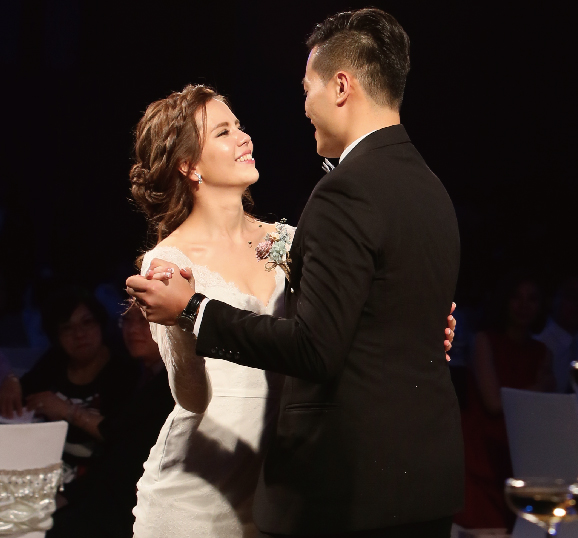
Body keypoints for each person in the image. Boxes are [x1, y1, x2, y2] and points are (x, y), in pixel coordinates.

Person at [127, 8, 462, 538]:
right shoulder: (169, 264)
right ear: (189, 165)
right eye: (224, 131)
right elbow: (191, 397)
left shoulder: (290, 235)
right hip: (209, 486)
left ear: (342, 86)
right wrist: (181, 319)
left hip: (293, 475)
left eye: (239, 125)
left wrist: (412, 330)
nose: (244, 137)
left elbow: (327, 331)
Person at [47, 302, 174, 538]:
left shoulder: (172, 387)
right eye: (127, 319)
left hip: (131, 514)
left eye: (144, 319)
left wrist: (69, 412)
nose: (133, 329)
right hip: (100, 497)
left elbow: (122, 457)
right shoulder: (140, 374)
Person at [0, 286, 138, 484]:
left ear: (100, 324)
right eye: (67, 328)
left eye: (87, 323)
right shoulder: (56, 360)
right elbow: (22, 393)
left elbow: (121, 435)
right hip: (48, 470)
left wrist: (67, 411)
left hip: (101, 480)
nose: (79, 334)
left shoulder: (123, 369)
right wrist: (10, 381)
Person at [455, 272, 555, 530]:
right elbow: (494, 403)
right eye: (516, 297)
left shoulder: (542, 352)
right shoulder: (484, 340)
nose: (523, 306)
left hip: (520, 452)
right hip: (483, 451)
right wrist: (537, 388)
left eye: (532, 299)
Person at [535, 275, 578, 392]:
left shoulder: (574, 343)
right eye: (571, 296)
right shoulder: (540, 344)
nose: (576, 303)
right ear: (552, 299)